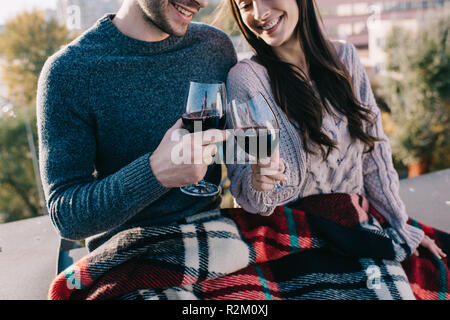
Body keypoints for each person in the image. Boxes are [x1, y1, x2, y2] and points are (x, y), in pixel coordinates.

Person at [224, 0, 445, 260]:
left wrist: (400, 224)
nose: (260, 14)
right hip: (292, 240)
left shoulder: (346, 59)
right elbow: (247, 192)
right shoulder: (245, 80)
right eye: (246, 5)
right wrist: (257, 182)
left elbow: (374, 154)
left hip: (358, 227)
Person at [37, 0, 237, 252]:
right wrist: (155, 173)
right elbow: (66, 216)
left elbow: (227, 146)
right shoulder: (69, 71)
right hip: (127, 254)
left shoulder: (214, 47)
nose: (202, 2)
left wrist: (266, 158)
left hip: (215, 240)